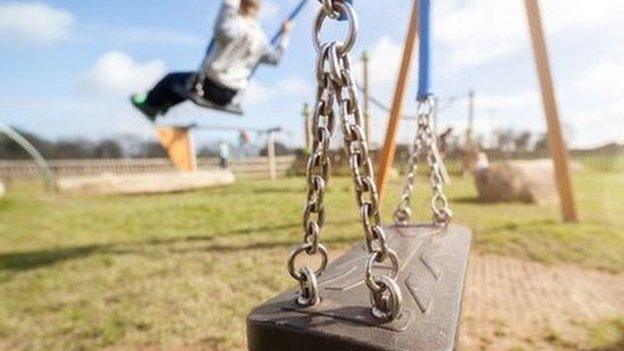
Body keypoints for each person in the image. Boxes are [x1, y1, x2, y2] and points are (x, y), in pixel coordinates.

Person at [131, 0, 294, 121]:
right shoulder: (262, 39)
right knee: (184, 87)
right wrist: (285, 35)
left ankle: (150, 105)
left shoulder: (232, 27)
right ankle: (161, 106)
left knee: (170, 80)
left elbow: (222, 25)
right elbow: (275, 59)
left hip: (209, 86)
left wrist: (230, 4)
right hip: (230, 95)